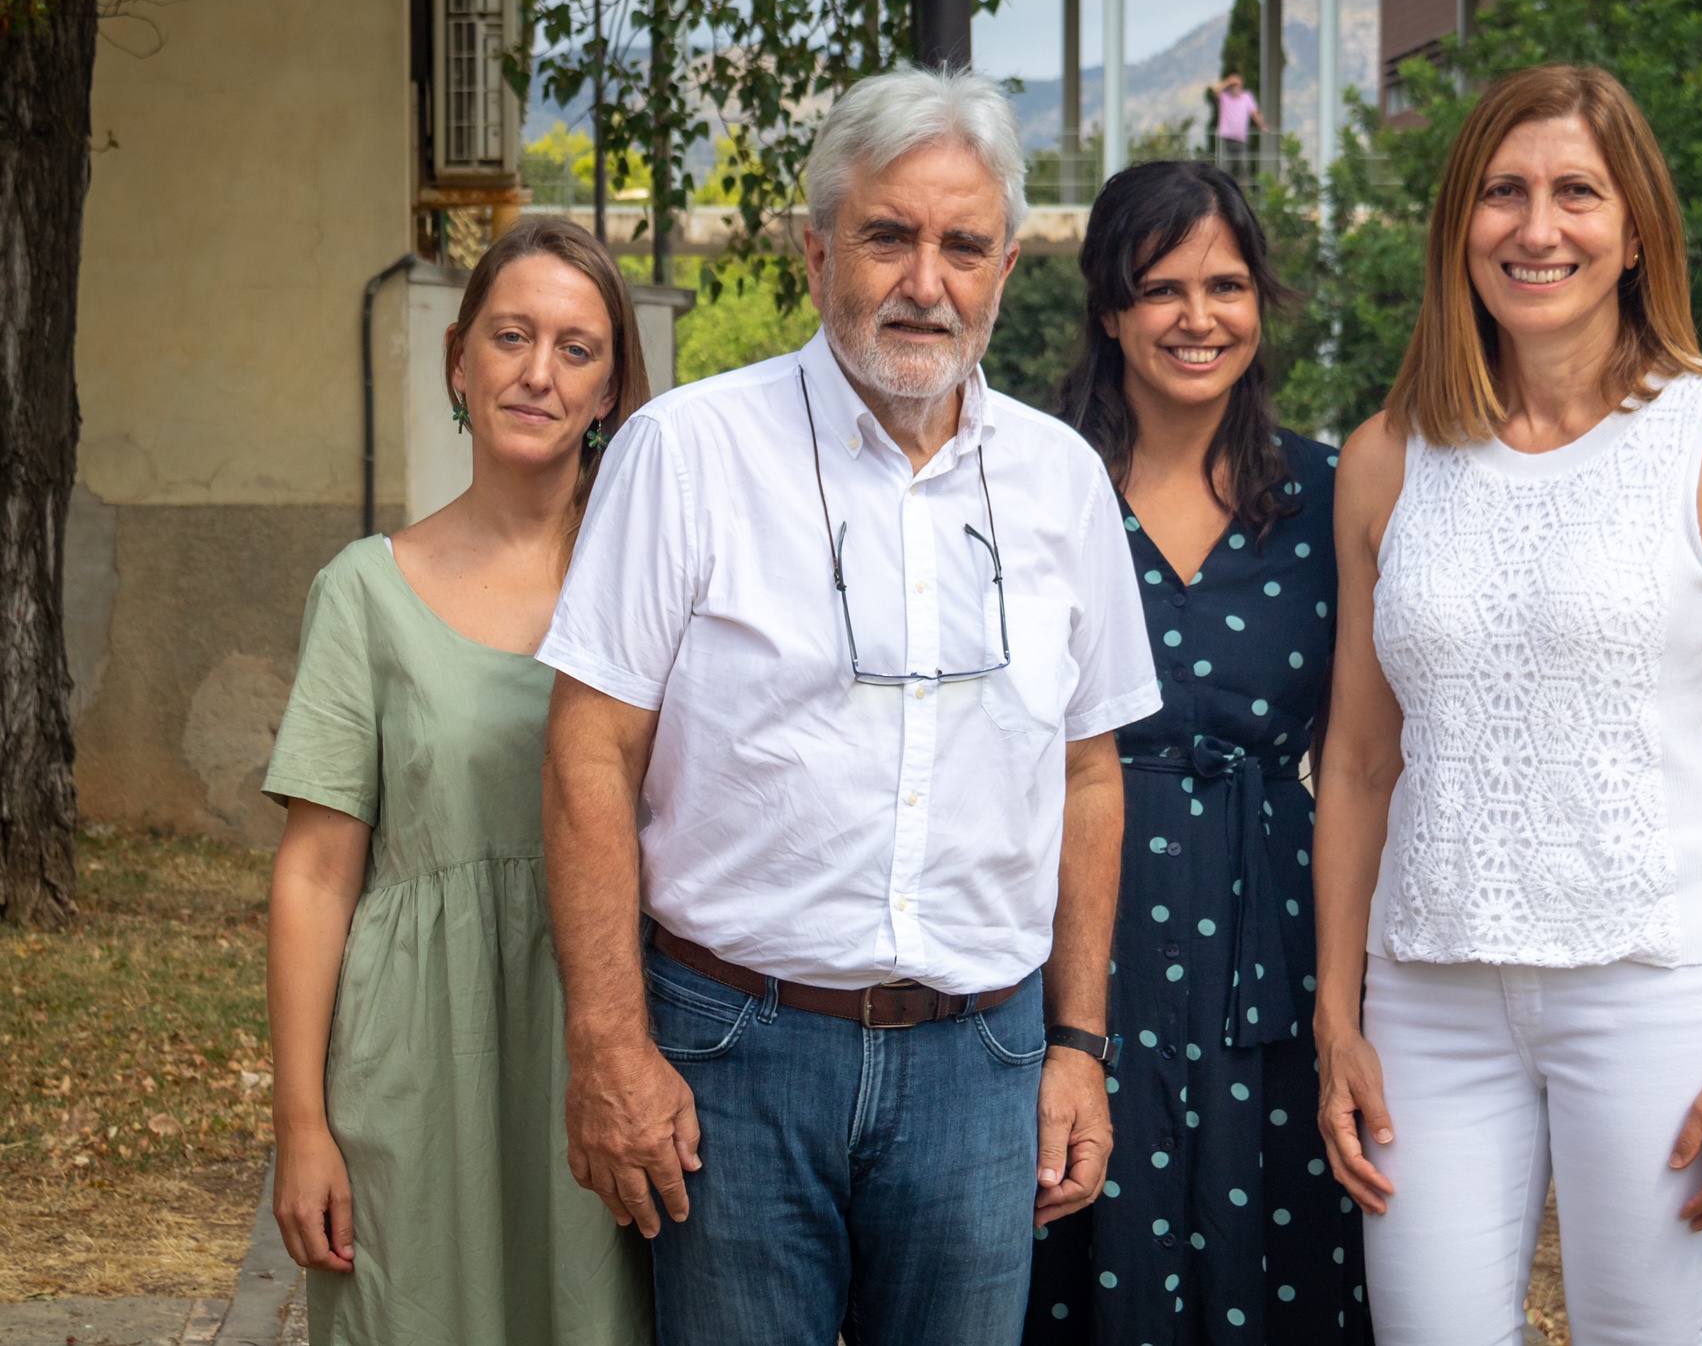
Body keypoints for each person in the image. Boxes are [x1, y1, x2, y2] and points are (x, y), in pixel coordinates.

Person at [535, 65, 1161, 1346]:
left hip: (982, 1062)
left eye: (963, 247)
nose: (927, 281)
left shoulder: (1063, 481)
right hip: (734, 1051)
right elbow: (587, 753)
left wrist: (1077, 1044)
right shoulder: (689, 451)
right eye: (888, 236)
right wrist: (607, 1046)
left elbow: (1088, 773)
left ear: (1003, 270)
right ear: (819, 252)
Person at [1311, 64, 1702, 1345]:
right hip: (1426, 992)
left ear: (1636, 230)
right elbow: (1360, 761)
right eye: (1502, 192)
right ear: (1459, 227)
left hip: (1657, 981)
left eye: (1576, 194)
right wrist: (1337, 1012)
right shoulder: (1384, 457)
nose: (1536, 228)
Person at [262, 217, 655, 1346]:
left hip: (613, 1046)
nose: (538, 373)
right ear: (458, 361)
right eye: (511, 337)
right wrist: (300, 1126)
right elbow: (315, 875)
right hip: (418, 1060)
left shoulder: (655, 582)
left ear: (610, 389)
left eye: (576, 349)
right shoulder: (364, 593)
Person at [1024, 160, 1370, 1344]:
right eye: (1160, 287)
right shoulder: (1033, 482)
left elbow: (1367, 756)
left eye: (1225, 285)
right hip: (1079, 928)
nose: (1196, 317)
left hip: (1275, 932)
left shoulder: (1330, 495)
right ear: (1109, 308)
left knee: (1276, 1250)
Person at [1211, 71, 1267, 187]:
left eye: (1237, 84)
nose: (1234, 87)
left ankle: (1244, 192)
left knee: (1243, 167)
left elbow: (1254, 113)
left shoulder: (1247, 97)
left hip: (1241, 139)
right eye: (1233, 85)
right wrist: (1229, 81)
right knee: (1226, 168)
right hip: (1226, 138)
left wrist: (1262, 126)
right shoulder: (1224, 97)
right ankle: (1225, 191)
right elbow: (1215, 91)